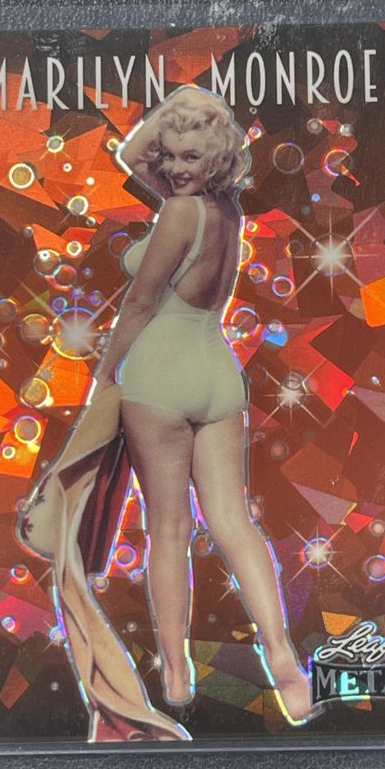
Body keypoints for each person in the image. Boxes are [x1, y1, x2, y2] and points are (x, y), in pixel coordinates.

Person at [91, 86, 314, 725]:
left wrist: (103, 380)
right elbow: (134, 156)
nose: (173, 167)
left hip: (159, 377)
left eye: (191, 156)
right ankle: (284, 661)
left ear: (213, 158)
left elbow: (139, 304)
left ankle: (177, 670)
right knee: (235, 523)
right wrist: (191, 107)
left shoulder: (178, 212)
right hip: (217, 372)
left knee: (168, 530)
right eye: (171, 156)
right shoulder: (225, 209)